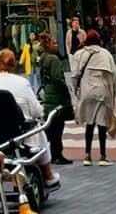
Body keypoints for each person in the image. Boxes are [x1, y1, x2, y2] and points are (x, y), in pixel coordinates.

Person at [0, 49, 59, 188]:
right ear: (13, 64)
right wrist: (40, 112)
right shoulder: (22, 82)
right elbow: (36, 111)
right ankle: (48, 174)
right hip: (17, 135)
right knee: (39, 131)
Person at [70, 29, 116, 166]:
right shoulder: (106, 54)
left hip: (86, 92)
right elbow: (114, 77)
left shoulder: (79, 54)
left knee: (89, 124)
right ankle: (103, 156)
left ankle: (87, 155)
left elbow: (74, 76)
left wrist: (77, 90)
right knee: (102, 124)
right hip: (102, 92)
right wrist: (113, 94)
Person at [37, 33, 73, 166]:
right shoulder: (53, 59)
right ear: (48, 45)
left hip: (48, 94)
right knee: (57, 128)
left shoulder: (43, 58)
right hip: (57, 97)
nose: (57, 45)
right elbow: (58, 78)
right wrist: (65, 89)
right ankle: (57, 154)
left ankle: (49, 153)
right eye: (54, 43)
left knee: (51, 128)